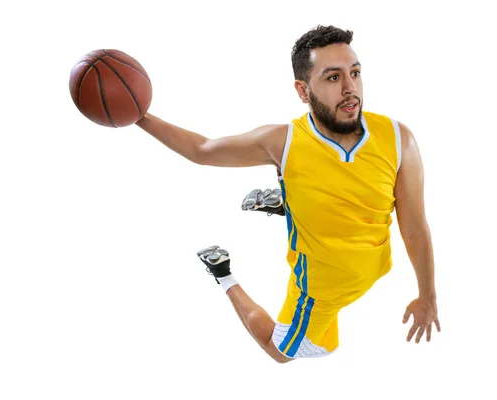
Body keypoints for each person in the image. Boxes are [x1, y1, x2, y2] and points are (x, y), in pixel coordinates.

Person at [135, 25, 441, 363]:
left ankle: (291, 202)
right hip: (319, 288)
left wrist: (427, 294)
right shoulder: (283, 143)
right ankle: (222, 271)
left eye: (354, 72)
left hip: (372, 267)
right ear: (303, 90)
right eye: (333, 78)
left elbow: (413, 224)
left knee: (324, 199)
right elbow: (202, 149)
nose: (351, 88)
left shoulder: (398, 138)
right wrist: (138, 116)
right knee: (281, 352)